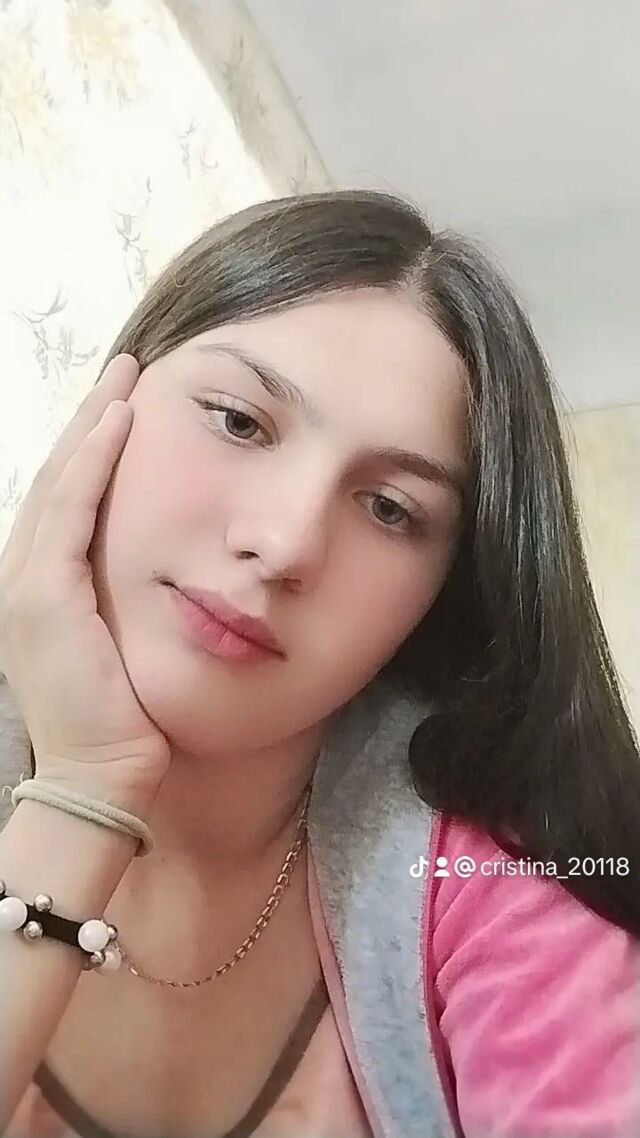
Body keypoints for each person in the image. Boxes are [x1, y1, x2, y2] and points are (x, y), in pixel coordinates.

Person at [0, 189, 639, 1138]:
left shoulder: (489, 874)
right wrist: (81, 792)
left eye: (389, 509)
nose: (286, 542)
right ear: (107, 408)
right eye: (238, 421)